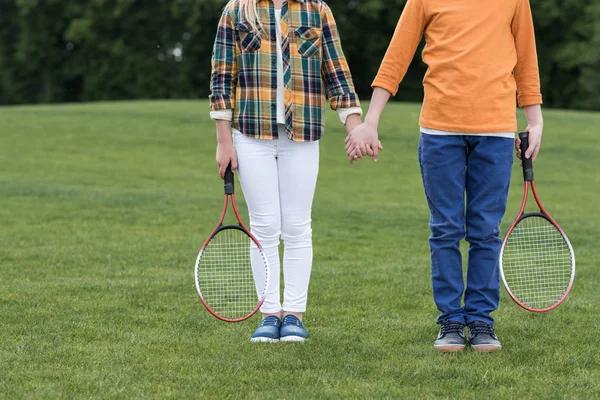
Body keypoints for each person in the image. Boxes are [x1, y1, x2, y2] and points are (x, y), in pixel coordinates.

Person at [346, 0, 544, 352]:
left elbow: (526, 58)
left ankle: (481, 320)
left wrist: (535, 119)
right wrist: (370, 121)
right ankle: (451, 320)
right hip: (439, 130)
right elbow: (397, 55)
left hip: (495, 131)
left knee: (485, 230)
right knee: (445, 229)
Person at [209, 0, 362, 342]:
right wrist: (223, 141)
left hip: (303, 134)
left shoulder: (316, 9)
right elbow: (222, 78)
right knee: (264, 226)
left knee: (297, 226)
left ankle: (293, 315)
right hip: (249, 135)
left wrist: (355, 127)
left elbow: (337, 73)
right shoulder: (237, 10)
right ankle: (269, 315)